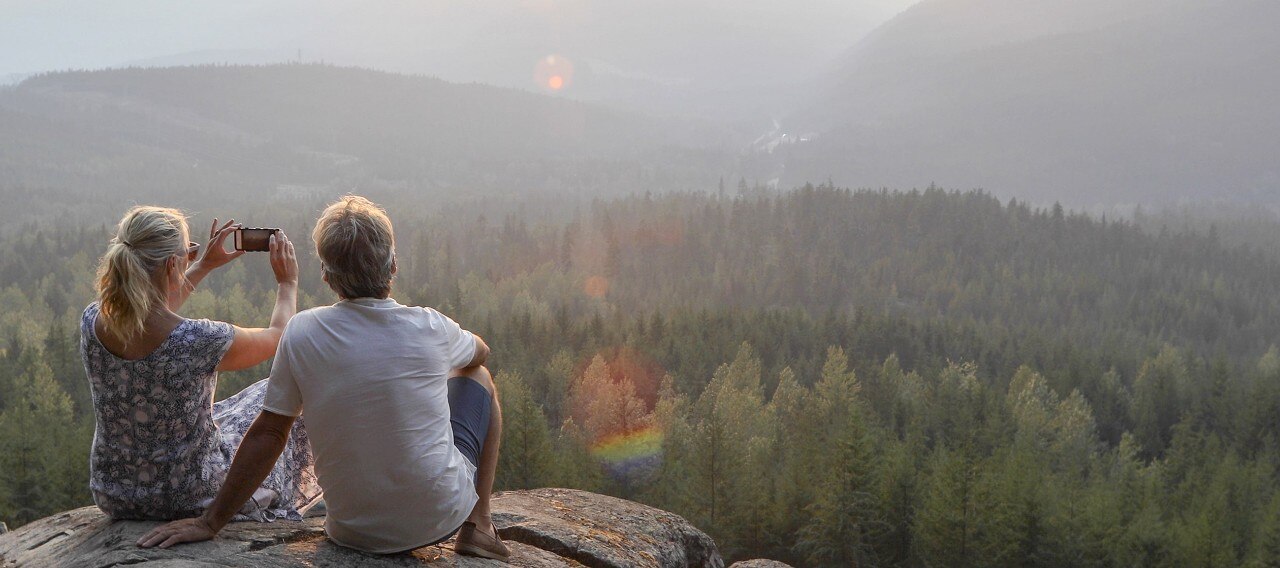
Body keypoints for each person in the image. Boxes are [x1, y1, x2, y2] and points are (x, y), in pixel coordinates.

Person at [139, 196, 509, 561]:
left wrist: (210, 522)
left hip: (352, 532)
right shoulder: (430, 325)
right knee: (479, 377)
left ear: (326, 275)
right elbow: (480, 353)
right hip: (439, 519)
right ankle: (479, 525)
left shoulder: (303, 331)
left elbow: (269, 433)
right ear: (393, 264)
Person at [82, 206, 320, 522]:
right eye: (188, 251)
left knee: (227, 412)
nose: (193, 253)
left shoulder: (93, 320)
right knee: (281, 397)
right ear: (172, 264)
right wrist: (288, 282)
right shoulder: (198, 339)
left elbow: (147, 310)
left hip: (114, 493)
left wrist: (203, 264)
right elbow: (278, 337)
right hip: (187, 494)